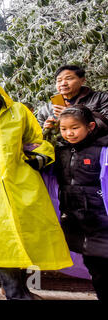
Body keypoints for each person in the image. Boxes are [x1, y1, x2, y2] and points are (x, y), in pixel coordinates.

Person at [0, 73, 73, 300]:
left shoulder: (18, 111)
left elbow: (37, 139)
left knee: (28, 235)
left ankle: (24, 289)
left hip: (23, 181)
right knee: (3, 240)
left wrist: (40, 157)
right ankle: (14, 293)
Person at [52, 105, 108, 300]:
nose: (69, 133)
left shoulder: (103, 149)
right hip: (77, 222)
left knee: (103, 267)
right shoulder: (62, 152)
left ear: (90, 126)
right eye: (64, 129)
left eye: (74, 127)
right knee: (95, 268)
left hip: (102, 221)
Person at [38, 65, 108, 130]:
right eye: (59, 80)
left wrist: (73, 114)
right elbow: (37, 135)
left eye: (69, 78)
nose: (63, 83)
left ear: (82, 80)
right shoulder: (46, 110)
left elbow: (105, 125)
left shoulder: (101, 98)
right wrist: (47, 129)